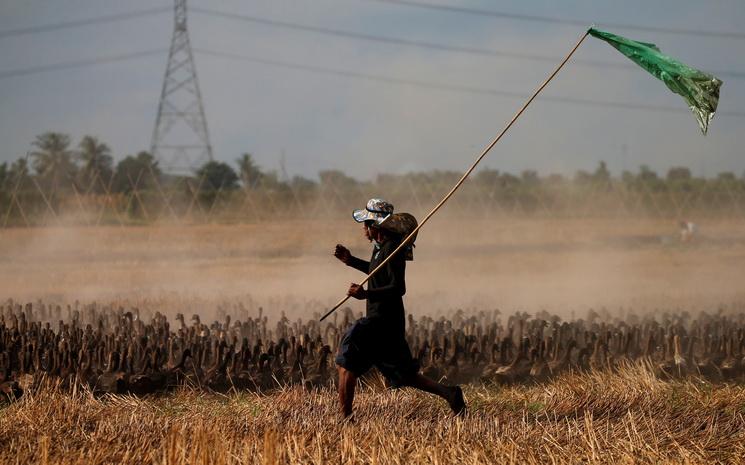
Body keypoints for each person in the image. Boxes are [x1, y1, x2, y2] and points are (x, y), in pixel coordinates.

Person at [333, 198, 466, 419]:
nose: (363, 229)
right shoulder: (382, 248)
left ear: (375, 226)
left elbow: (398, 287)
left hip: (381, 321)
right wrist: (351, 261)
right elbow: (377, 272)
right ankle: (450, 394)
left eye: (366, 224)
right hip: (389, 324)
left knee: (346, 358)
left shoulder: (393, 249)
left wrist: (366, 294)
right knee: (405, 375)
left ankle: (345, 419)